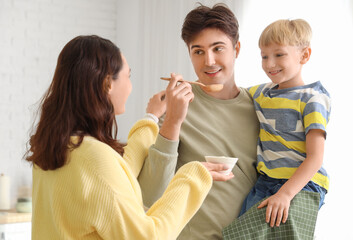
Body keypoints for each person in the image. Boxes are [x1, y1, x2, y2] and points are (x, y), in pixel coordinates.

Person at [24, 35, 232, 240]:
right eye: (128, 76)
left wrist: (152, 117)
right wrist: (193, 175)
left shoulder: (57, 148)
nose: (130, 87)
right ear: (108, 84)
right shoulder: (94, 159)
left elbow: (121, 173)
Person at [138, 4, 260, 239]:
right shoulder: (174, 106)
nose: (209, 61)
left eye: (218, 48)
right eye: (198, 51)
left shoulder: (259, 107)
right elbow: (148, 195)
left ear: (237, 49)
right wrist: (172, 119)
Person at [238, 19, 331, 228]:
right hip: (266, 182)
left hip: (304, 184)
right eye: (264, 56)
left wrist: (286, 194)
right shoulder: (261, 93)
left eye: (279, 55)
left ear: (304, 55)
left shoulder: (312, 98)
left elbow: (316, 158)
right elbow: (232, 94)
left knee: (283, 231)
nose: (270, 64)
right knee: (242, 231)